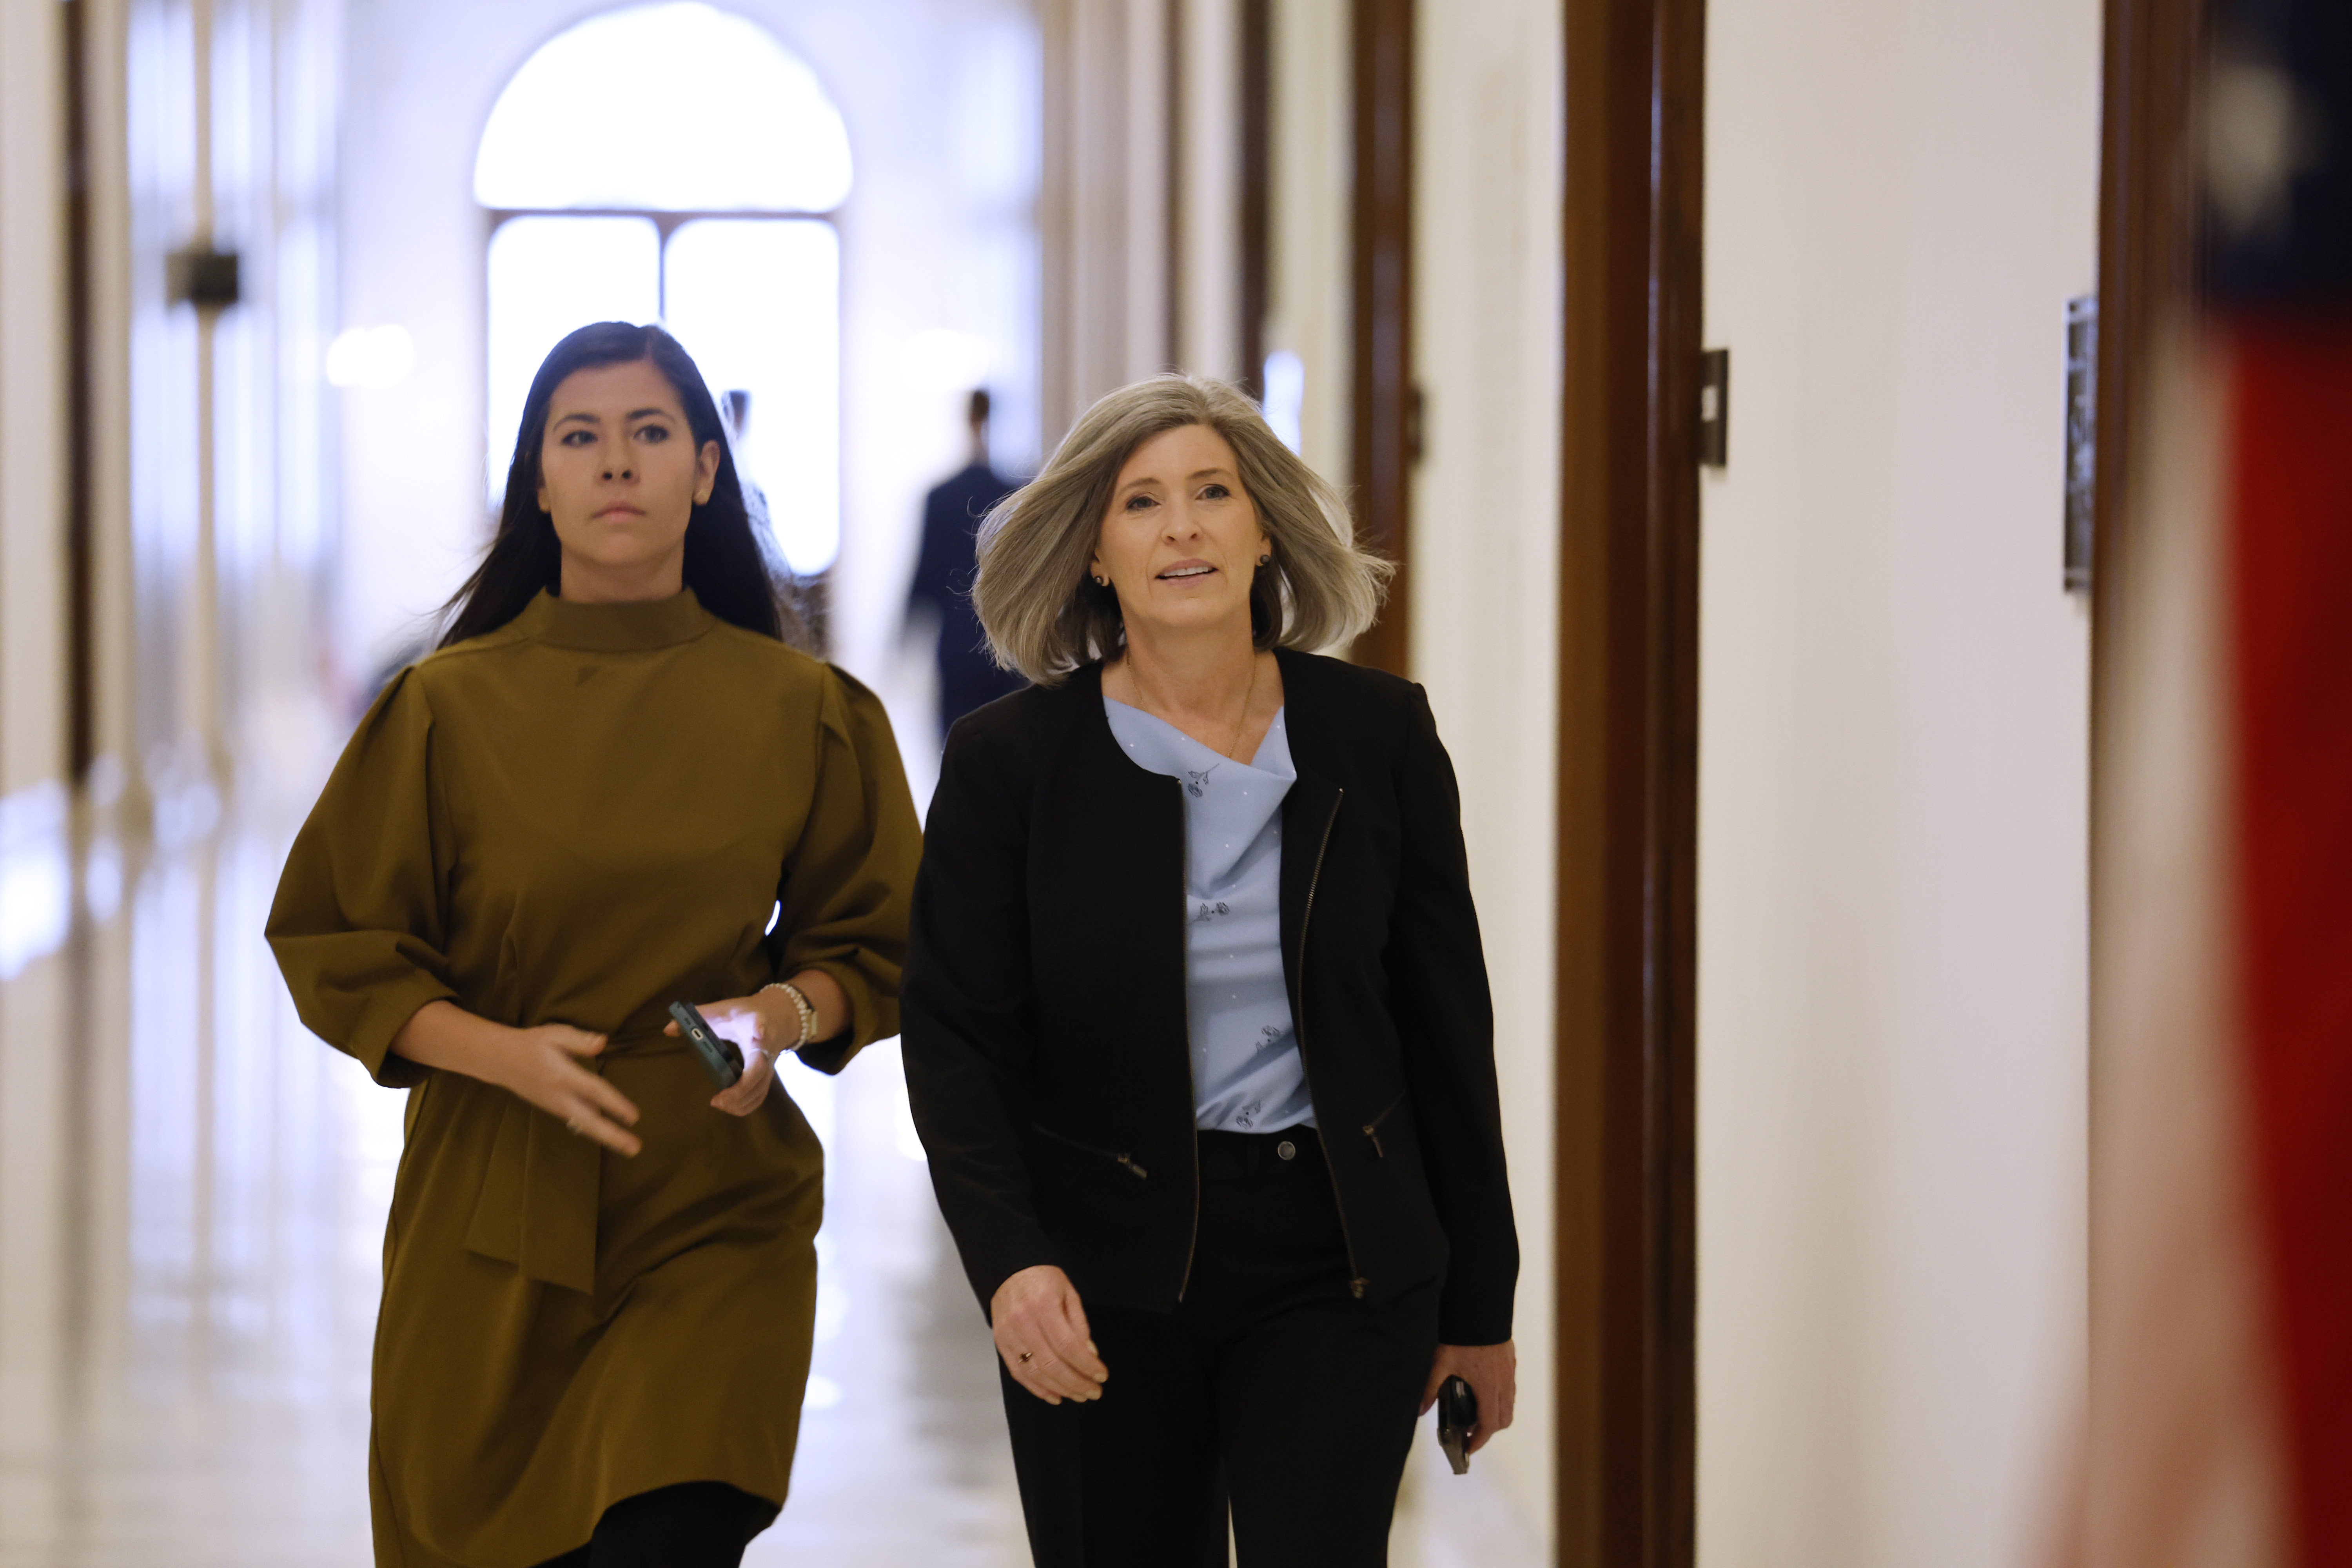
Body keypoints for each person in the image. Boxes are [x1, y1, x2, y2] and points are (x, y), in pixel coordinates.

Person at [266, 321, 921, 1568]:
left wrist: (778, 1017)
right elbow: (339, 940)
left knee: (669, 1523)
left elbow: (878, 939)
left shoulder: (807, 710)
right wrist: (506, 1056)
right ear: (538, 481)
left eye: (650, 433)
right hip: (493, 1200)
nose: (616, 461)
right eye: (580, 436)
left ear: (706, 473)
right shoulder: (440, 708)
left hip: (714, 1204)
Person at [901, 374, 1519, 1566]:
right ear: (1093, 552)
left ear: (1264, 528)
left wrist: (1479, 1307)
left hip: (1335, 1255)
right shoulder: (1009, 766)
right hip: (1098, 1265)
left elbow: (1446, 1029)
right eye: (1140, 502)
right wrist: (1008, 1263)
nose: (1180, 525)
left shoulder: (1376, 735)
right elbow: (956, 1039)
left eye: (1211, 493)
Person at [906, 388, 1025, 737]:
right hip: (1004, 642)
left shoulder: (941, 496)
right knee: (1004, 746)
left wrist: (904, 634)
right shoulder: (1014, 494)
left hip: (956, 645)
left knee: (956, 742)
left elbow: (925, 575)